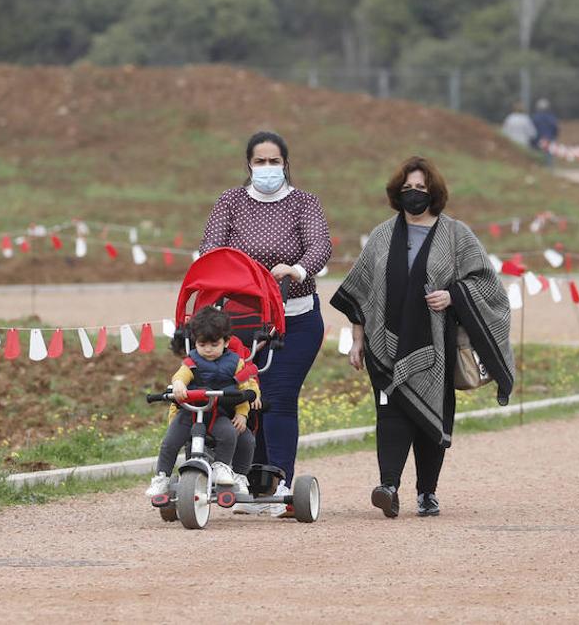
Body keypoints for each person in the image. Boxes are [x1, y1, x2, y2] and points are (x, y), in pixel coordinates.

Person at [331, 155, 514, 519]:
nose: (414, 194)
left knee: (433, 416)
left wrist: (453, 296)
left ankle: (427, 493)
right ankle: (389, 487)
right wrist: (357, 339)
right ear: (397, 192)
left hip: (437, 346)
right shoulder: (383, 235)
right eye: (408, 188)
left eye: (421, 188)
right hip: (386, 344)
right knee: (391, 413)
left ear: (434, 193)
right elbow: (361, 292)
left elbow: (488, 286)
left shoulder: (457, 235)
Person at [199, 130, 332, 513]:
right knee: (246, 399)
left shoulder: (305, 203)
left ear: (286, 165)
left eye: (275, 162)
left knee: (278, 398)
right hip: (242, 319)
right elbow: (211, 248)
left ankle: (280, 484)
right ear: (249, 165)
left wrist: (297, 268)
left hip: (296, 318)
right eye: (261, 161)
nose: (268, 168)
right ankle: (246, 478)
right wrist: (239, 274)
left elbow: (320, 246)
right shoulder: (231, 201)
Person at [146, 307, 260, 497]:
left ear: (226, 342)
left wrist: (242, 413)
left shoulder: (235, 363)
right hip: (189, 412)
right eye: (202, 344)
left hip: (219, 413)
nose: (208, 350)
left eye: (214, 344)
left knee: (230, 433)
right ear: (195, 343)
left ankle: (222, 467)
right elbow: (180, 376)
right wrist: (179, 385)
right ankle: (162, 477)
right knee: (169, 442)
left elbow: (244, 389)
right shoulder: (191, 361)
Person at [532, 98, 559, 166]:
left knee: (537, 155)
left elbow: (532, 129)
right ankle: (549, 170)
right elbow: (555, 128)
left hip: (537, 140)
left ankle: (540, 169)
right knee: (549, 156)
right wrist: (554, 136)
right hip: (550, 139)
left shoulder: (535, 117)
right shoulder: (551, 117)